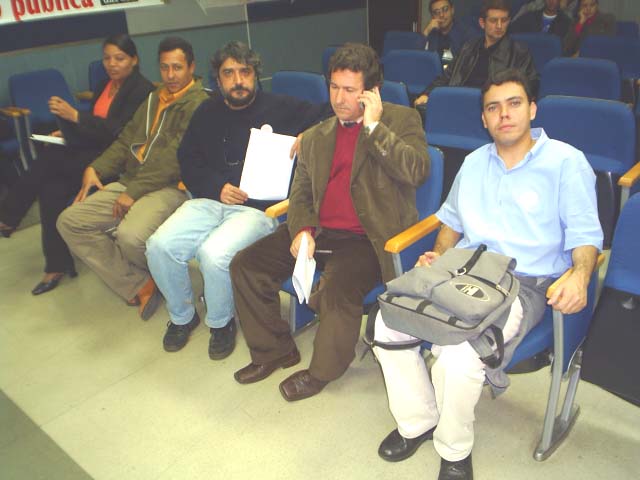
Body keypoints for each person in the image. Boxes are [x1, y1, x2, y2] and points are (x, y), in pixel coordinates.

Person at [373, 69, 603, 480]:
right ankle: (419, 421)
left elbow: (586, 235)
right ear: (484, 118)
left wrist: (581, 274)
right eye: (493, 108)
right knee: (387, 324)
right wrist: (438, 254)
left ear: (532, 109)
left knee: (458, 355)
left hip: (523, 283)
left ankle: (454, 450)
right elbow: (451, 220)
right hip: (462, 267)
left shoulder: (567, 163)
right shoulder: (475, 162)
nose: (504, 114)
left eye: (514, 104)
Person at [229, 43, 430, 402]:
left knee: (337, 290)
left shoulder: (402, 121)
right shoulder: (317, 135)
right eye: (334, 87)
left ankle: (323, 371)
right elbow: (301, 192)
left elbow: (416, 172)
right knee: (246, 266)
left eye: (350, 90)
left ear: (372, 92)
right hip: (319, 232)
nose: (338, 99)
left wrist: (374, 128)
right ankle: (275, 350)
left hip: (368, 239)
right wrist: (302, 229)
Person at [145, 41, 330, 358]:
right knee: (159, 246)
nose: (238, 80)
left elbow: (329, 113)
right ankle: (182, 316)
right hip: (210, 200)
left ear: (256, 75)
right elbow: (187, 160)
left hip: (256, 211)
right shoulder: (206, 112)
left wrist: (310, 134)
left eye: (245, 72)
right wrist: (216, 187)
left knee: (214, 254)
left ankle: (221, 322)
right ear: (218, 80)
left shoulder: (281, 106)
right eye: (229, 73)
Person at [57, 37, 208, 319]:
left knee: (130, 237)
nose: (170, 75)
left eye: (177, 67)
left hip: (169, 186)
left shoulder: (199, 104)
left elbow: (173, 159)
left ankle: (166, 277)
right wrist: (96, 168)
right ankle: (140, 283)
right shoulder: (154, 97)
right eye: (164, 67)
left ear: (191, 67)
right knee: (70, 222)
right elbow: (126, 138)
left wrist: (133, 192)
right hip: (131, 180)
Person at [0, 34, 154, 295]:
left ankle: (8, 216)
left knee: (50, 160)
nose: (112, 64)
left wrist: (75, 116)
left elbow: (119, 133)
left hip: (115, 159)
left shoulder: (142, 90)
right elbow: (91, 127)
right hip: (90, 151)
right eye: (107, 58)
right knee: (51, 187)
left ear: (134, 60)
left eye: (119, 58)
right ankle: (56, 265)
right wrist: (67, 132)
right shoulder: (105, 85)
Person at [414, 0, 538, 107]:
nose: (499, 26)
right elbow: (446, 77)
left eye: (504, 20)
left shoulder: (519, 52)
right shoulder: (468, 47)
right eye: (494, 21)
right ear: (482, 23)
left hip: (493, 107)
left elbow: (529, 86)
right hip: (459, 102)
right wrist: (427, 93)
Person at [423, 0, 477, 66]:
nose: (441, 15)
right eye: (436, 12)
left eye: (445, 9)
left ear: (452, 10)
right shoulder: (431, 34)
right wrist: (426, 31)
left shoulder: (467, 33)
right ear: (432, 16)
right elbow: (417, 59)